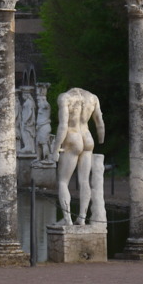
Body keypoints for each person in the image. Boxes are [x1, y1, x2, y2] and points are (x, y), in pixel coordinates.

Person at [53, 87, 104, 225]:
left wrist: (55, 149)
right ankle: (82, 217)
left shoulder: (65, 97)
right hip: (87, 138)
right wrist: (101, 140)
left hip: (72, 137)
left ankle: (67, 219)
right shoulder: (93, 97)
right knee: (84, 181)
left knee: (63, 181)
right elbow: (99, 122)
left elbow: (63, 126)